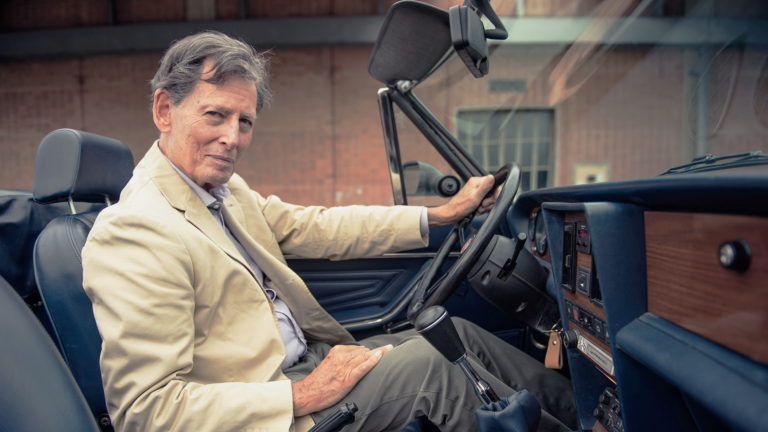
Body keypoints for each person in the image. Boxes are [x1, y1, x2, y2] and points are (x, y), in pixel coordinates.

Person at [82, 31, 576, 432]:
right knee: (436, 370)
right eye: (215, 115)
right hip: (271, 405)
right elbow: (144, 412)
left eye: (245, 121)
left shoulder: (222, 193)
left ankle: (586, 417)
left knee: (457, 336)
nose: (232, 137)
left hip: (305, 362)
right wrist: (299, 395)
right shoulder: (135, 230)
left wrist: (440, 215)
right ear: (164, 111)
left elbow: (318, 226)